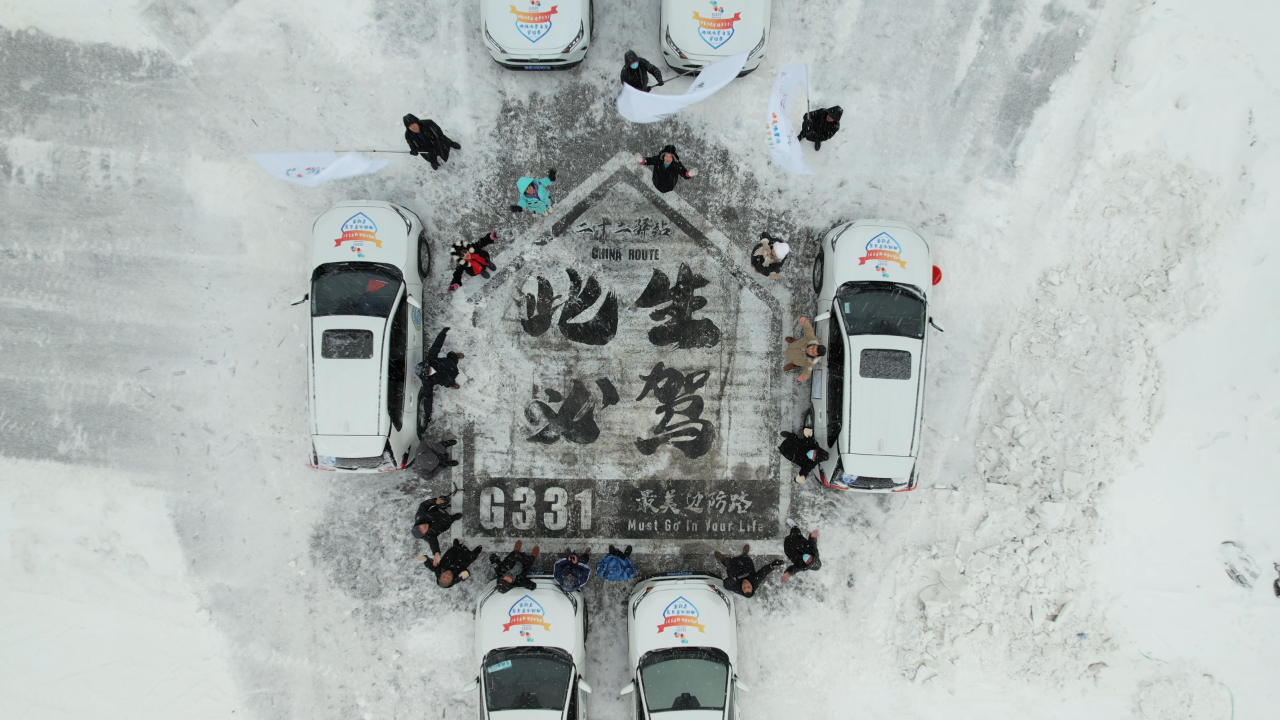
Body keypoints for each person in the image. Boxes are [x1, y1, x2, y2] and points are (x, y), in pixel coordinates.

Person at [714, 545, 782, 598]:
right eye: (749, 586)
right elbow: (762, 574)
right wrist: (772, 565)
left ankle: (723, 560)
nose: (746, 584)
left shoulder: (737, 589)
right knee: (745, 558)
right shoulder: (755, 583)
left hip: (733, 568)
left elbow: (726, 584)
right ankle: (744, 554)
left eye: (744, 587)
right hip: (746, 566)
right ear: (752, 587)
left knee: (728, 562)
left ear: (741, 589)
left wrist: (734, 578)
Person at [419, 538, 483, 588]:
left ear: (440, 576)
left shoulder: (438, 571)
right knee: (474, 555)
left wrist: (425, 559)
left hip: (452, 552)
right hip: (466, 557)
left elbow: (431, 566)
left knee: (456, 545)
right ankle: (478, 549)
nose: (447, 575)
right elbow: (464, 576)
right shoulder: (457, 578)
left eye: (443, 576)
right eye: (448, 578)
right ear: (451, 580)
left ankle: (456, 545)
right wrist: (466, 573)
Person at [783, 317, 825, 382]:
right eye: (812, 348)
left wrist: (803, 377)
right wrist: (805, 321)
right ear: (815, 345)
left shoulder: (811, 362)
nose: (810, 350)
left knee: (785, 368)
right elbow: (809, 330)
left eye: (813, 353)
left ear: (815, 356)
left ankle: (794, 365)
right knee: (788, 339)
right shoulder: (812, 339)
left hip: (794, 359)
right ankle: (793, 341)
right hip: (795, 345)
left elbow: (808, 371)